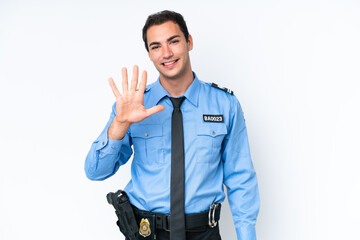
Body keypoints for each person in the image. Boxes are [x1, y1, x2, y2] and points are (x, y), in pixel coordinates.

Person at [85, 10, 260, 240]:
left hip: (203, 233)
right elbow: (95, 172)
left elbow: (240, 178)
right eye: (156, 46)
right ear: (149, 53)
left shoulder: (224, 104)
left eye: (173, 41)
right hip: (146, 233)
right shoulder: (134, 106)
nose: (166, 53)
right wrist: (120, 123)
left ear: (189, 42)